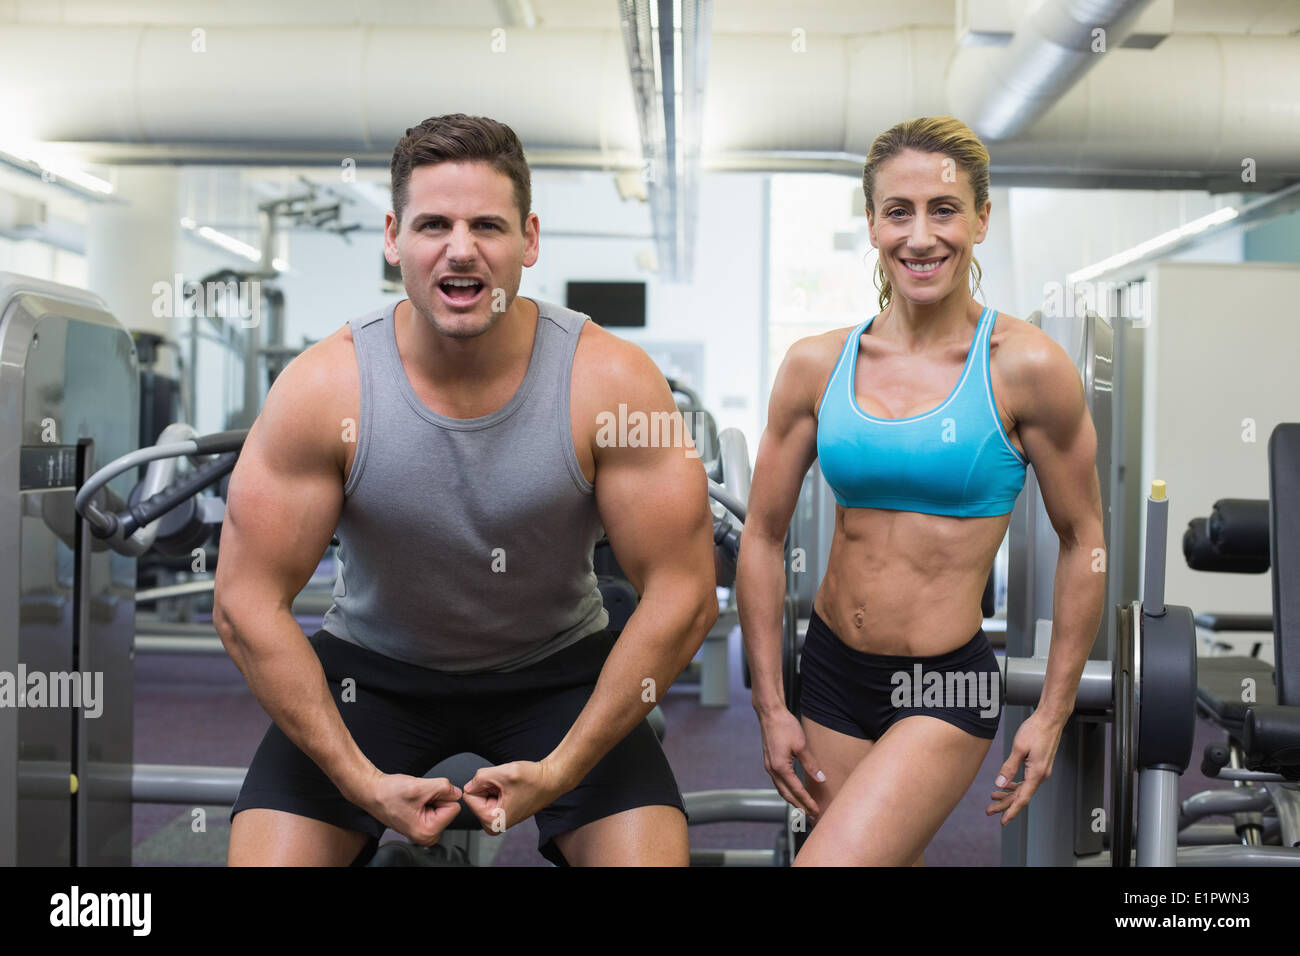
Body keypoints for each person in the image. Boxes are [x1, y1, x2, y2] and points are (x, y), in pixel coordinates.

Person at [213, 113, 717, 867]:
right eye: (433, 224)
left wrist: (564, 768)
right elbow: (245, 602)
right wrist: (361, 782)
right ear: (393, 237)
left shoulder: (609, 381)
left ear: (529, 240)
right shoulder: (325, 387)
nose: (461, 249)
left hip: (558, 673)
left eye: (487, 225)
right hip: (370, 676)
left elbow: (684, 592)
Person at [736, 115, 1106, 866]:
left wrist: (1054, 710)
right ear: (871, 223)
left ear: (980, 219)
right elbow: (761, 536)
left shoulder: (1025, 367)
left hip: (944, 687)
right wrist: (771, 703)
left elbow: (1084, 539)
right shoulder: (818, 364)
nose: (921, 235)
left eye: (943, 210)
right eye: (898, 211)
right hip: (833, 672)